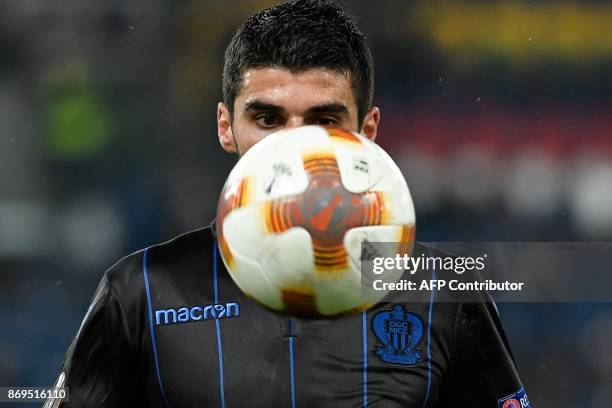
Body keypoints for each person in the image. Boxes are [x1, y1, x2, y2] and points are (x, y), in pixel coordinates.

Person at [47, 1, 530, 407]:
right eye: (268, 118)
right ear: (225, 126)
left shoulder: (441, 294)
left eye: (323, 118)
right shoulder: (140, 291)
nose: (295, 147)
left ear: (368, 131)